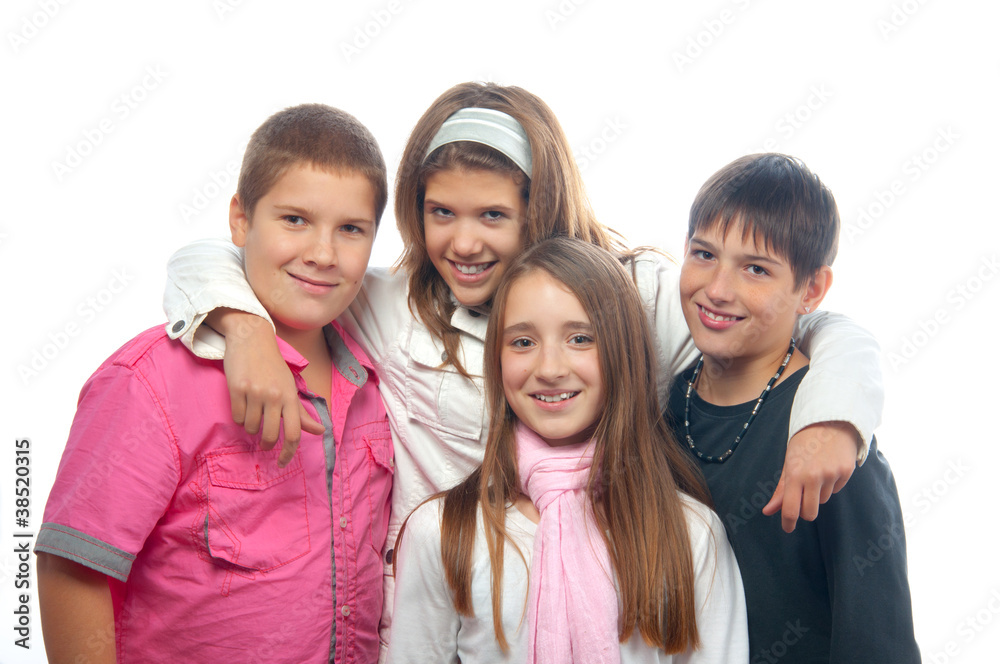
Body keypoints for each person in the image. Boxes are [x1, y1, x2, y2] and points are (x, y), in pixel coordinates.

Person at [162, 82, 883, 653]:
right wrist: (245, 324)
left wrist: (835, 418)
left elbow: (812, 320)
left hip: (623, 558)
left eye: (494, 217)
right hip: (457, 584)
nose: (464, 242)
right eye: (441, 212)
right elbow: (225, 256)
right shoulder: (392, 304)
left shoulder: (633, 293)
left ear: (538, 209)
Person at [35, 104, 393, 663]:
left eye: (351, 229)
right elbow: (73, 567)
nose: (323, 254)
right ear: (241, 220)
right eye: (294, 220)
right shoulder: (151, 381)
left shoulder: (375, 378)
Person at [388, 237, 747, 662]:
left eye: (580, 339)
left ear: (624, 353)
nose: (550, 369)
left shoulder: (689, 533)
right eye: (522, 342)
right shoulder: (445, 531)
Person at [665, 153, 920, 662]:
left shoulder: (828, 433)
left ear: (811, 290)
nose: (717, 290)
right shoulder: (669, 400)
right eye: (703, 254)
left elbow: (879, 639)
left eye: (755, 269)